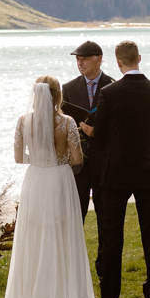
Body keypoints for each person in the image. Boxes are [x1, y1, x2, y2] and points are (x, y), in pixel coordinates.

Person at [2, 77, 120, 298]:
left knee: (35, 234)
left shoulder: (24, 122)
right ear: (58, 96)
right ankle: (64, 291)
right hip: (60, 180)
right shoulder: (67, 123)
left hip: (35, 180)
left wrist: (39, 156)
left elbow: (18, 157)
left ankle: (34, 295)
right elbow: (77, 159)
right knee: (62, 232)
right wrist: (60, 157)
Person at [86, 40, 150, 298]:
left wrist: (91, 133)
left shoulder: (110, 92)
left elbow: (102, 133)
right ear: (139, 58)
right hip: (146, 169)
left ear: (118, 62)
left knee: (112, 236)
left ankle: (109, 297)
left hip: (115, 172)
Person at [62, 40, 113, 219]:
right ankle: (75, 249)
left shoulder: (113, 86)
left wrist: (96, 132)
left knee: (107, 219)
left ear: (99, 59)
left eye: (84, 59)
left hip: (105, 165)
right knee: (75, 217)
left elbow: (119, 127)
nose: (80, 63)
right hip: (78, 166)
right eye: (78, 59)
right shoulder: (68, 88)